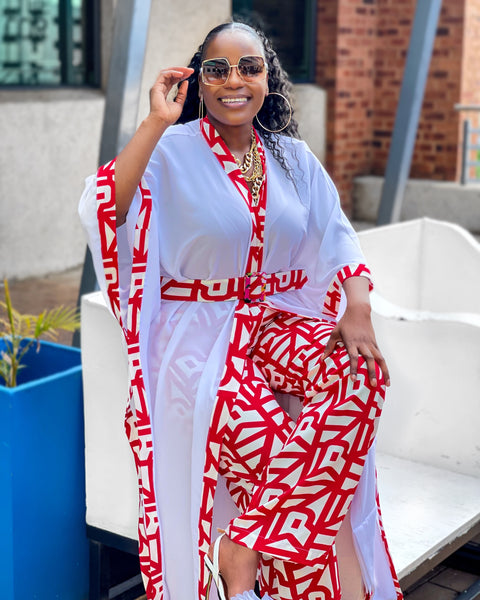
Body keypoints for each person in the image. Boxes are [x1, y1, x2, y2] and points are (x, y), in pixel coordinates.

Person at [79, 20, 403, 600]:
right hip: (199, 340)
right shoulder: (169, 151)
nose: (234, 80)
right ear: (198, 82)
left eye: (249, 67)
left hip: (275, 319)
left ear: (266, 78)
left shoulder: (291, 157)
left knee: (363, 371)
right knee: (279, 455)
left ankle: (244, 543)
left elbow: (337, 233)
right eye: (218, 69)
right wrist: (155, 121)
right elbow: (107, 208)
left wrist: (358, 306)